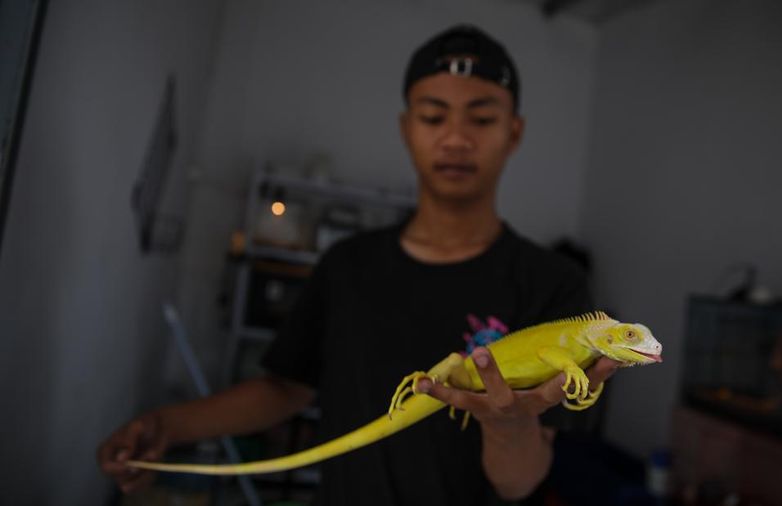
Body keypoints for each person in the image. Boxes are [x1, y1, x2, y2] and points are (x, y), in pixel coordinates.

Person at [97, 24, 618, 505]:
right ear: (405, 126)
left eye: (482, 118)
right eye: (434, 115)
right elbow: (286, 386)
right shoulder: (348, 264)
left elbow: (520, 482)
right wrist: (168, 425)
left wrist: (508, 425)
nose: (457, 138)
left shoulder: (555, 285)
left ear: (515, 131)